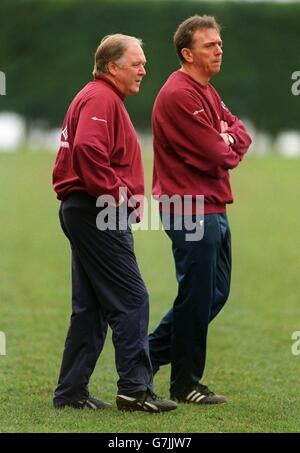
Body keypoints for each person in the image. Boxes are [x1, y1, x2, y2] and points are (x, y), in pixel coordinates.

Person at [52, 34, 177, 413]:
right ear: (111, 67)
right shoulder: (102, 98)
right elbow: (89, 149)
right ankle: (134, 390)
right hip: (96, 209)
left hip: (86, 208)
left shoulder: (100, 97)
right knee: (132, 300)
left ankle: (71, 392)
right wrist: (118, 194)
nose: (144, 69)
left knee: (90, 307)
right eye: (136, 63)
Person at [149, 16, 252, 404]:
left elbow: (239, 131)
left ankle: (144, 357)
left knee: (215, 293)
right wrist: (225, 137)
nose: (219, 49)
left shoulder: (205, 90)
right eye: (210, 45)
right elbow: (219, 153)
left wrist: (228, 134)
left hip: (211, 204)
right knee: (197, 296)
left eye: (219, 44)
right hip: (190, 206)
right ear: (187, 53)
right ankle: (185, 383)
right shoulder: (180, 93)